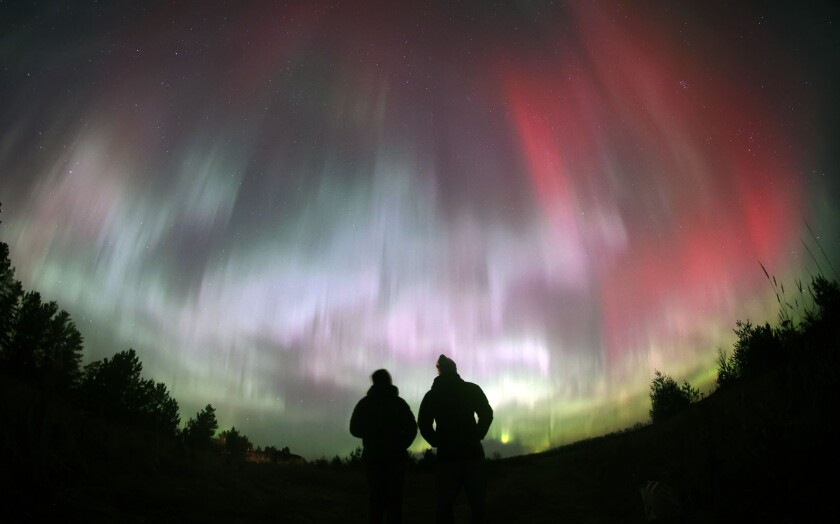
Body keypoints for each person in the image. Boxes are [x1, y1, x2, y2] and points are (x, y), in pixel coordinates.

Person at [418, 354, 494, 524]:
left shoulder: (432, 395)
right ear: (455, 370)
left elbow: (423, 423)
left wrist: (437, 441)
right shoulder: (471, 389)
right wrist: (477, 434)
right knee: (478, 505)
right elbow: (486, 414)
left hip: (447, 457)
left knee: (445, 507)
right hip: (472, 453)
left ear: (439, 371)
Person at [350, 368, 418, 524]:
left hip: (373, 457)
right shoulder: (398, 403)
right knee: (395, 502)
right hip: (395, 459)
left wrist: (371, 434)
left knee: (376, 501)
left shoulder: (365, 404)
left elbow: (354, 429)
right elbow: (412, 428)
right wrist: (401, 445)